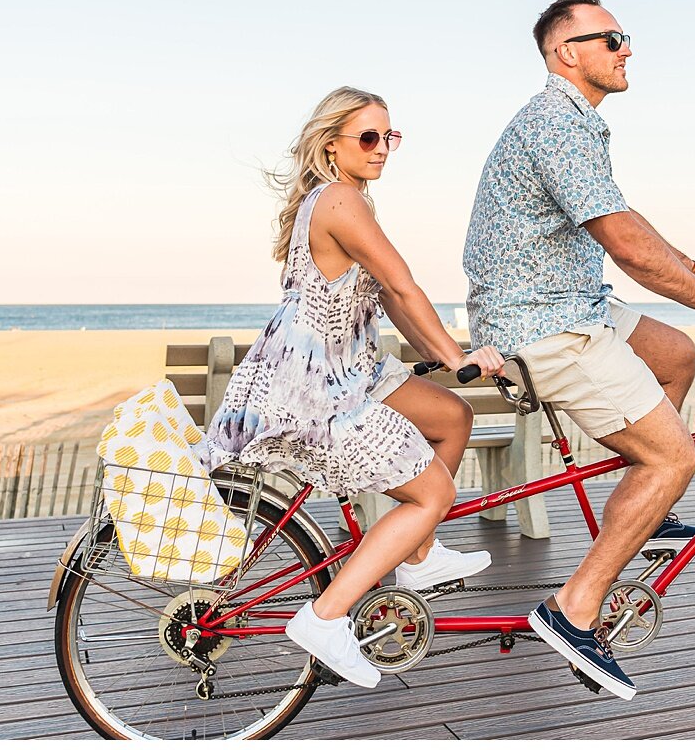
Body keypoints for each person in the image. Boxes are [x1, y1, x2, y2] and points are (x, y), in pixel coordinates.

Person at [463, 0, 695, 700]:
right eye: (611, 38)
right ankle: (574, 607)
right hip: (541, 325)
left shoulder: (576, 124)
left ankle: (645, 505)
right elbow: (625, 245)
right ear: (565, 52)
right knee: (674, 455)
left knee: (676, 356)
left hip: (575, 303)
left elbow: (623, 216)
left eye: (625, 37)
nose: (626, 48)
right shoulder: (553, 122)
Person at [206, 87, 505, 688]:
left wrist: (444, 363)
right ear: (331, 144)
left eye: (389, 137)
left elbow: (387, 303)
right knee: (429, 494)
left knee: (450, 417)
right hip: (316, 386)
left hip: (352, 369)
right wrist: (455, 352)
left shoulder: (345, 199)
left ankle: (417, 557)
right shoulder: (341, 199)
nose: (382, 149)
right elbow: (401, 284)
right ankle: (324, 617)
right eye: (369, 137)